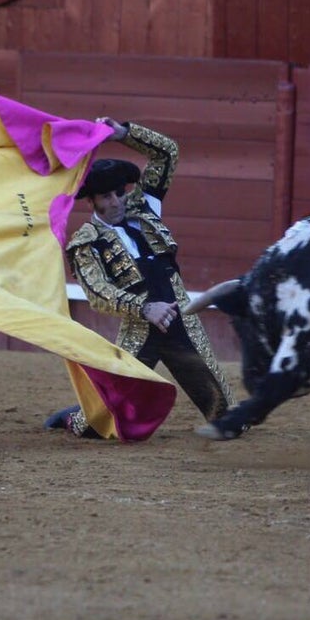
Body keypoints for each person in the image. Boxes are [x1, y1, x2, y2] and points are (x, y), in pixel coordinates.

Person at [47, 117, 234, 437]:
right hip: (141, 330)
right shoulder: (85, 242)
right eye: (106, 197)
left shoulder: (144, 209)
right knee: (97, 425)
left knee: (228, 417)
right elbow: (98, 293)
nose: (116, 202)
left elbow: (167, 153)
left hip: (180, 321)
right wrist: (145, 308)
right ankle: (73, 416)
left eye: (119, 193)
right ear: (90, 201)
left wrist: (124, 133)